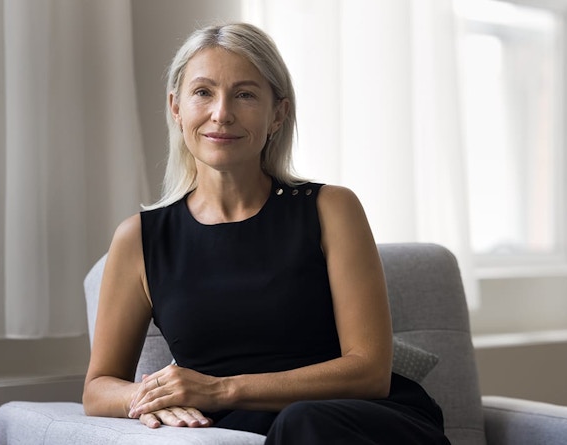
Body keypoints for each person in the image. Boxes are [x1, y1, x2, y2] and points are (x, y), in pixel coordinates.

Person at [82, 22, 450, 444]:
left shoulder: (332, 209)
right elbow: (98, 387)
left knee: (301, 422)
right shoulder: (139, 239)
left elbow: (369, 371)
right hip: (244, 433)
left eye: (245, 94)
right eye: (203, 92)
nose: (222, 113)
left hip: (363, 421)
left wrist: (218, 390)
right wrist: (156, 396)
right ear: (176, 108)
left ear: (278, 114)